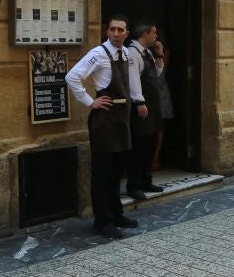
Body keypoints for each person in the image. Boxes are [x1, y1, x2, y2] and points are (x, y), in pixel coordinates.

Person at [66, 13, 146, 238]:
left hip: (121, 121)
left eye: (121, 30)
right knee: (102, 173)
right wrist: (91, 102)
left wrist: (138, 101)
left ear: (127, 33)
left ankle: (116, 213)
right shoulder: (98, 54)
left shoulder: (125, 54)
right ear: (107, 32)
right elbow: (72, 77)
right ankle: (102, 221)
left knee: (116, 172)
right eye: (113, 29)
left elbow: (131, 84)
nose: (117, 33)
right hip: (104, 121)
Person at [125, 21, 162, 200]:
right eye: (154, 33)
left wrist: (160, 55)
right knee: (138, 147)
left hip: (152, 107)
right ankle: (134, 185)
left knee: (150, 145)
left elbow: (157, 73)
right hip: (141, 107)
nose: (156, 36)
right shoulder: (133, 53)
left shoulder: (146, 52)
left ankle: (146, 180)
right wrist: (139, 102)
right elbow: (133, 80)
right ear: (145, 34)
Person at [151, 38, 174, 171]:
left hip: (160, 91)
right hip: (148, 92)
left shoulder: (164, 52)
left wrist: (159, 53)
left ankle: (155, 158)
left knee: (159, 125)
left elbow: (160, 70)